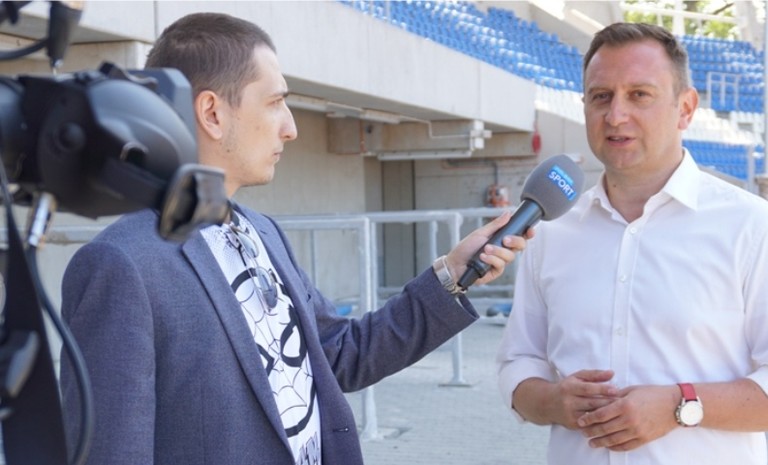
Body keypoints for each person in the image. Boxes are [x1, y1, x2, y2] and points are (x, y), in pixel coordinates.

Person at [58, 12, 528, 465]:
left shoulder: (263, 232)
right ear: (212, 113)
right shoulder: (120, 265)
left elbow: (341, 354)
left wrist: (451, 273)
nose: (291, 127)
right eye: (275, 102)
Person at [496, 22, 768, 465]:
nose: (615, 115)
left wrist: (680, 405)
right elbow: (518, 362)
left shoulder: (752, 227)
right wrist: (552, 402)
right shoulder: (552, 232)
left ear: (685, 108)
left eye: (639, 94)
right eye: (601, 96)